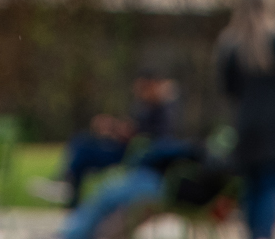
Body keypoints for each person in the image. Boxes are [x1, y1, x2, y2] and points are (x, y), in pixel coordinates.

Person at [40, 74, 199, 239]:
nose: (139, 93)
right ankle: (75, 235)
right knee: (88, 158)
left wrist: (122, 132)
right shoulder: (155, 110)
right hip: (150, 172)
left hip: (155, 177)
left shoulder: (167, 113)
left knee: (106, 195)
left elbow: (152, 143)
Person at [217, 0, 275, 239]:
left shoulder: (231, 43)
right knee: (270, 182)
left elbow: (227, 87)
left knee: (250, 183)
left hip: (245, 120)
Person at [31, 71, 179, 207]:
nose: (139, 93)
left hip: (129, 155)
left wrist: (116, 128)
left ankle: (67, 188)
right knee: (81, 142)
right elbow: (132, 128)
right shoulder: (145, 107)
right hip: (123, 149)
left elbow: (146, 138)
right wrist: (113, 128)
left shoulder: (161, 110)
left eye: (142, 88)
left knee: (83, 152)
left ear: (152, 85)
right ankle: (67, 189)